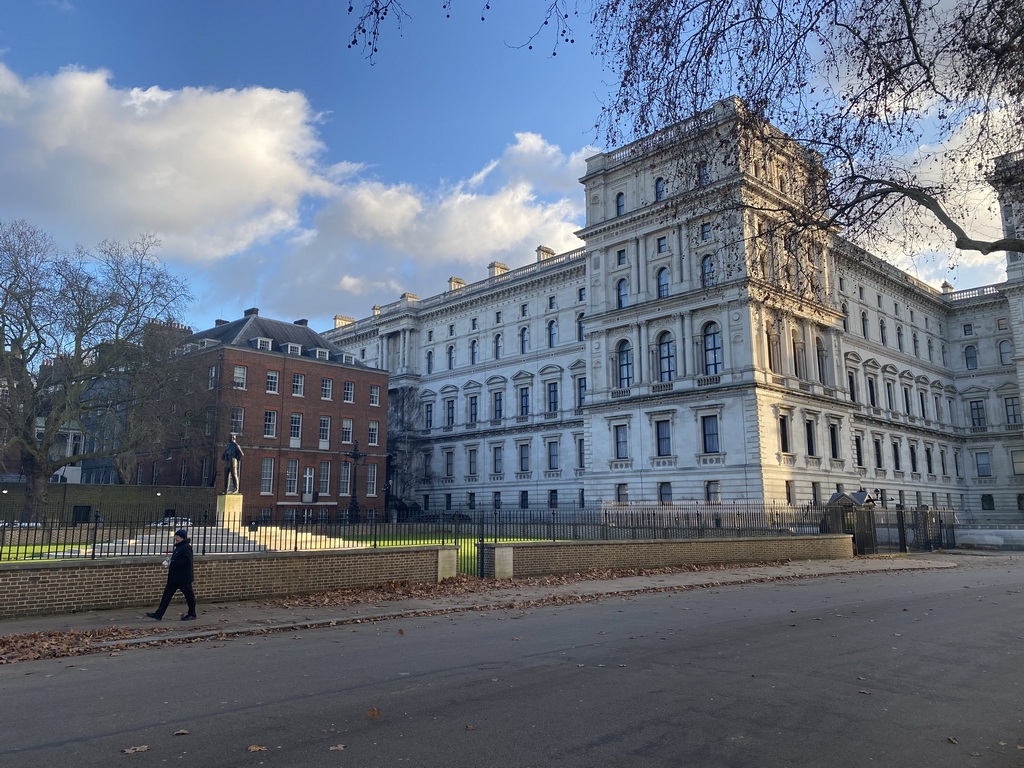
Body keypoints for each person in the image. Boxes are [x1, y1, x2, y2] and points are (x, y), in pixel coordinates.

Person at [146, 529, 197, 621]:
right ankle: (159, 614)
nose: (176, 538)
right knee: (166, 596)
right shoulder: (179, 547)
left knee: (189, 596)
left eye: (178, 536)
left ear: (183, 537)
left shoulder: (186, 547)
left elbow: (187, 561)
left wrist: (172, 563)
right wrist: (170, 562)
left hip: (183, 577)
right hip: (174, 577)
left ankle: (192, 613)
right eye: (176, 536)